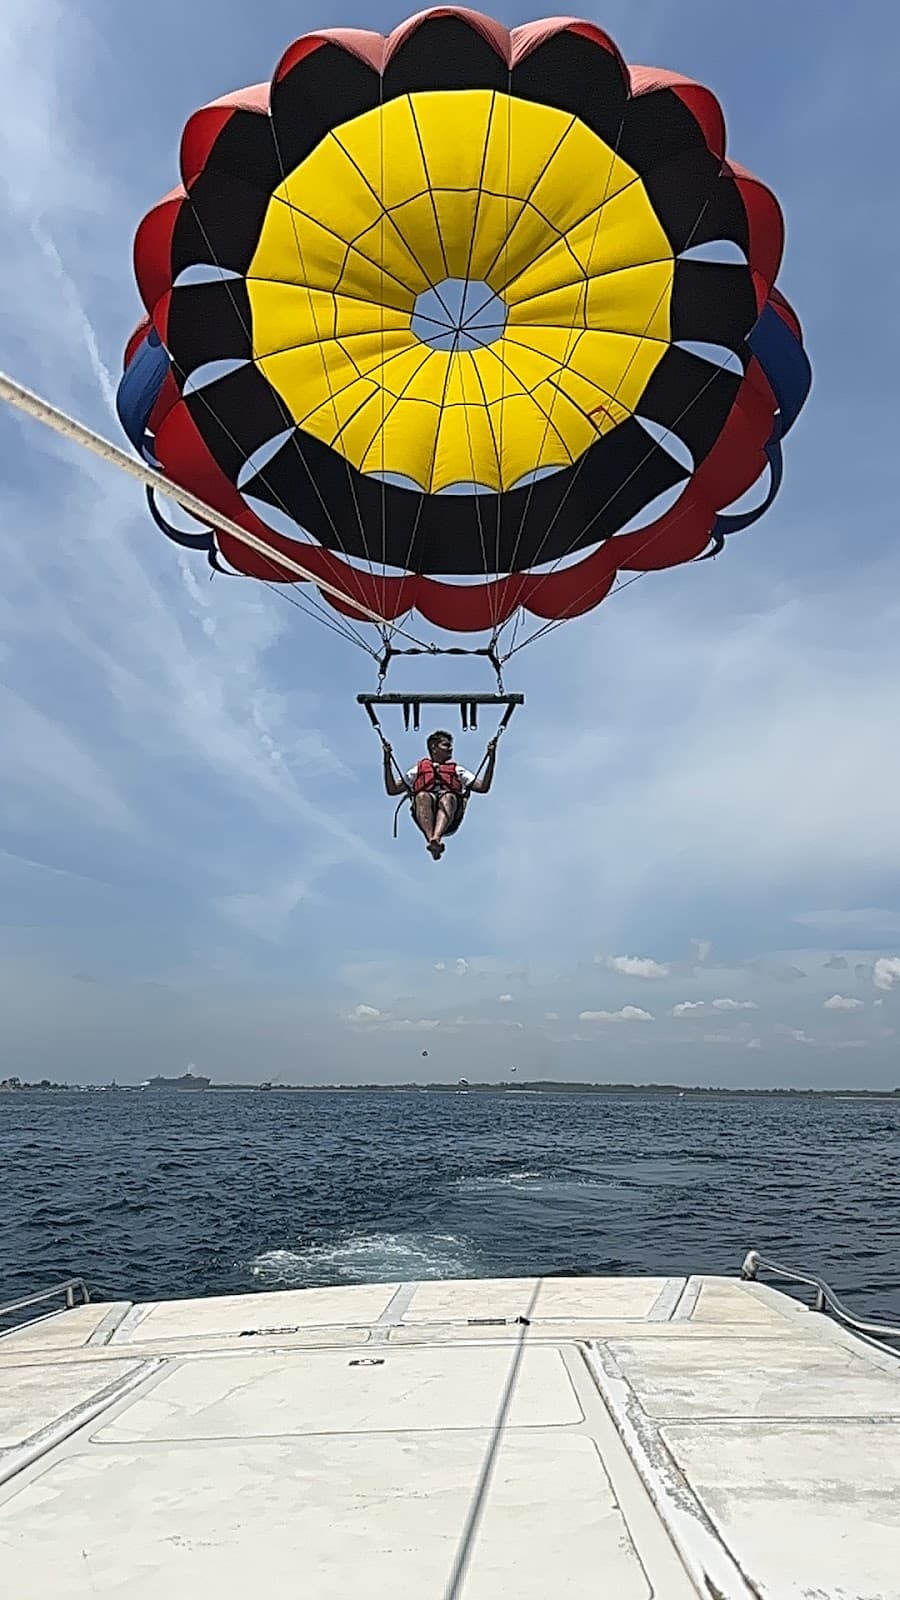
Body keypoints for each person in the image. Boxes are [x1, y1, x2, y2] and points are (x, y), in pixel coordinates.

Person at [382, 728, 497, 859]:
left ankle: (436, 837)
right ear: (434, 747)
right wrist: (387, 762)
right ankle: (432, 840)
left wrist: (491, 759)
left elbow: (483, 787)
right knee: (422, 795)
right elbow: (392, 789)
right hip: (424, 810)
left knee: (448, 796)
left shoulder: (457, 770)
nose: (451, 749)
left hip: (451, 815)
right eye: (446, 745)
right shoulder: (417, 770)